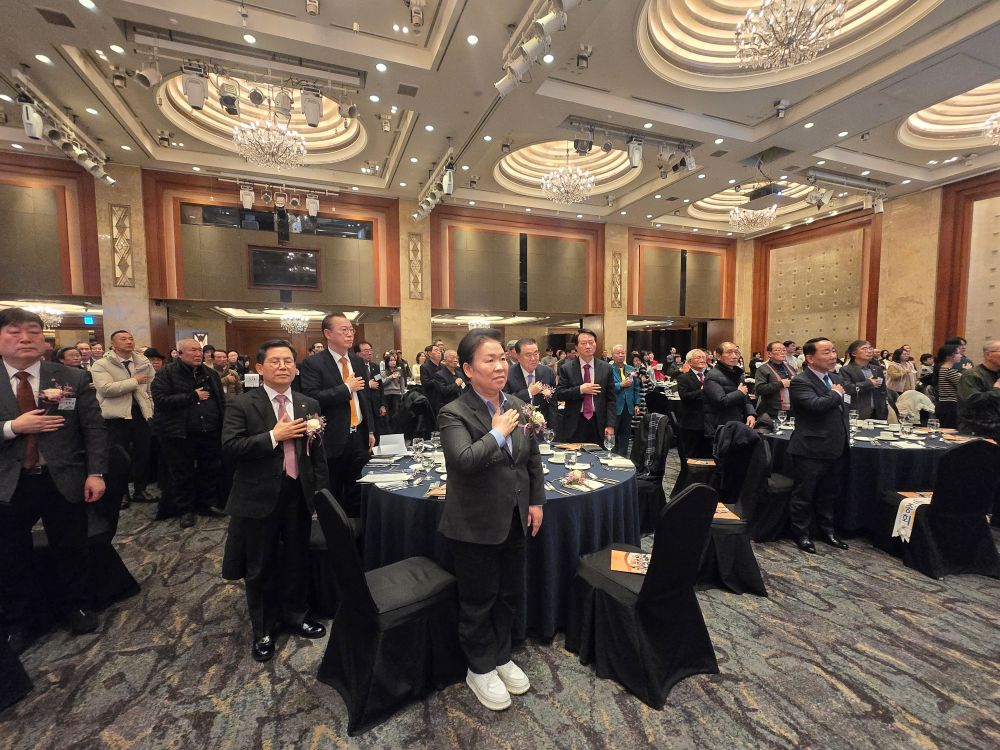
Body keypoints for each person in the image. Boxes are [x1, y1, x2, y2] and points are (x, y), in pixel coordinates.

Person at [437, 328, 544, 711]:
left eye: (502, 358)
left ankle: (501, 655)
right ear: (468, 369)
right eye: (489, 360)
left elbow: (531, 458)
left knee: (509, 593)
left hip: (514, 516)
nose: (500, 366)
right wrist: (497, 433)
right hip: (474, 523)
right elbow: (464, 461)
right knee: (479, 599)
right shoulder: (453, 412)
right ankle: (479, 667)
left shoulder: (516, 402)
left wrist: (536, 501)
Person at [0, 308, 107, 651]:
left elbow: (93, 428)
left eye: (33, 332)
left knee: (71, 546)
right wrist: (13, 427)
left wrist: (95, 472)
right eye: (14, 332)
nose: (25, 338)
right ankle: (18, 620)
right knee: (10, 554)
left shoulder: (70, 377)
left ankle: (77, 606)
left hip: (62, 476)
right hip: (8, 482)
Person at [221, 340, 330, 663]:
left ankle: (297, 614)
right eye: (275, 361)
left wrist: (321, 493)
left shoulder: (308, 403)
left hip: (298, 491)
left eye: (288, 361)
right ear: (259, 368)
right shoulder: (243, 404)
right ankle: (264, 628)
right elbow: (230, 448)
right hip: (258, 495)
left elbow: (317, 453)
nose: (283, 366)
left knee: (297, 557)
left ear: (296, 368)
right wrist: (273, 436)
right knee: (260, 564)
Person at [298, 312, 375, 517]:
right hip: (333, 437)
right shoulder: (314, 363)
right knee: (334, 491)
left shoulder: (356, 362)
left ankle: (357, 529)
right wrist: (345, 388)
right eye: (344, 330)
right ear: (328, 334)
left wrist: (370, 429)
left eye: (351, 330)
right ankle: (336, 531)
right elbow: (312, 398)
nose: (350, 334)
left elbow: (364, 399)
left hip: (359, 435)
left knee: (358, 488)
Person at [150, 338, 226, 528]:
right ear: (180, 353)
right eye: (193, 350)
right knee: (182, 473)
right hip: (179, 433)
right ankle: (185, 509)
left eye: (200, 350)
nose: (198, 354)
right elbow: (160, 400)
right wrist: (192, 396)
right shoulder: (166, 373)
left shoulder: (209, 373)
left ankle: (207, 504)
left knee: (209, 469)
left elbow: (220, 400)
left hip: (209, 431)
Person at [787, 338, 850, 554]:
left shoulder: (836, 378)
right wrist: (835, 393)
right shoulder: (800, 381)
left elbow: (842, 411)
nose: (833, 356)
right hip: (810, 448)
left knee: (829, 493)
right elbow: (815, 405)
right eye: (826, 352)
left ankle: (828, 531)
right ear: (810, 358)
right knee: (804, 494)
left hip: (836, 446)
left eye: (833, 351)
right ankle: (802, 534)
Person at [90, 330, 154, 510]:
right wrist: (134, 381)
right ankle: (121, 493)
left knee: (142, 454)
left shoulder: (143, 362)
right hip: (115, 416)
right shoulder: (101, 364)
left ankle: (140, 490)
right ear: (113, 344)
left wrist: (151, 408)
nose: (129, 341)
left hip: (140, 414)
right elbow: (106, 389)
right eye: (123, 339)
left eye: (131, 338)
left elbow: (150, 388)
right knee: (119, 457)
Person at [555, 329, 615, 445]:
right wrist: (580, 389)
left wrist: (610, 425)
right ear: (576, 347)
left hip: (598, 422)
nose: (588, 346)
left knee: (599, 454)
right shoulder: (567, 368)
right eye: (583, 343)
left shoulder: (606, 368)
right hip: (575, 422)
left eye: (591, 342)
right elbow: (560, 393)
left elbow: (611, 399)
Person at [704, 341, 756, 436]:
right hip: (720, 425)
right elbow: (720, 401)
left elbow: (745, 397)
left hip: (738, 422)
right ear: (718, 356)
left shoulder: (738, 373)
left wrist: (750, 414)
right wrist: (739, 393)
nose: (734, 356)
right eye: (729, 352)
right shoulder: (712, 375)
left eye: (736, 352)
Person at [504, 338, 555, 427]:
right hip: (517, 425)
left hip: (543, 425)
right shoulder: (507, 374)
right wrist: (529, 392)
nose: (533, 358)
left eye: (536, 353)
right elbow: (505, 402)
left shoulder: (547, 372)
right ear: (518, 357)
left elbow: (553, 404)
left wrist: (552, 428)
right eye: (528, 355)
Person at [956, 339, 1000, 440]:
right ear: (988, 355)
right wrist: (997, 390)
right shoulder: (972, 375)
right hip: (978, 432)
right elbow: (971, 401)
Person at [839, 340, 888, 421]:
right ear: (854, 353)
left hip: (877, 412)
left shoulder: (877, 369)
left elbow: (883, 391)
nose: (869, 351)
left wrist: (883, 407)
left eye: (870, 348)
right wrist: (868, 383)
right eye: (864, 349)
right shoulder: (846, 370)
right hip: (857, 412)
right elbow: (847, 388)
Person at [676, 349, 711, 457]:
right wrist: (701, 390)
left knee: (708, 456)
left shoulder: (711, 376)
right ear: (690, 362)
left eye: (703, 357)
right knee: (691, 456)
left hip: (710, 423)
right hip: (692, 423)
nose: (702, 360)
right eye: (698, 357)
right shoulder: (683, 378)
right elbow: (684, 396)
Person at [609, 345, 641, 457]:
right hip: (614, 407)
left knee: (625, 435)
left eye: (623, 353)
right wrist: (620, 385)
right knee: (613, 434)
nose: (621, 355)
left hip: (628, 407)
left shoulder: (631, 369)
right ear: (612, 355)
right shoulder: (608, 369)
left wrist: (637, 404)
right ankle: (611, 457)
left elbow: (636, 387)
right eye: (618, 353)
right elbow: (606, 388)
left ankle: (622, 457)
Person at [754, 341, 795, 420]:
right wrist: (780, 384)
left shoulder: (790, 367)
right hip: (772, 411)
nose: (782, 352)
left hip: (791, 409)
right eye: (778, 350)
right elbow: (759, 389)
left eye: (784, 350)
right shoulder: (763, 369)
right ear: (769, 354)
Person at [355, 340, 385, 436]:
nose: (370, 353)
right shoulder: (353, 368)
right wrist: (368, 384)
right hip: (362, 406)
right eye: (366, 351)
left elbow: (380, 386)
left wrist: (383, 405)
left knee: (377, 433)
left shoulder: (375, 367)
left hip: (375, 406)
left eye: (370, 350)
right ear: (358, 354)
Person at [932, 344, 963, 428]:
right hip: (949, 406)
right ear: (950, 356)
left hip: (945, 405)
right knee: (949, 431)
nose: (960, 355)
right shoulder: (948, 371)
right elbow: (964, 385)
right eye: (958, 353)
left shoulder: (943, 369)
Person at [381, 352, 406, 431]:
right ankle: (388, 431)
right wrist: (391, 377)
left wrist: (402, 394)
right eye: (391, 360)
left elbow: (402, 384)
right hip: (386, 395)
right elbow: (382, 383)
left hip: (396, 394)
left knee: (396, 414)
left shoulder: (399, 371)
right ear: (387, 362)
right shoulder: (383, 372)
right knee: (387, 415)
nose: (393, 362)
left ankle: (396, 431)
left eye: (394, 360)